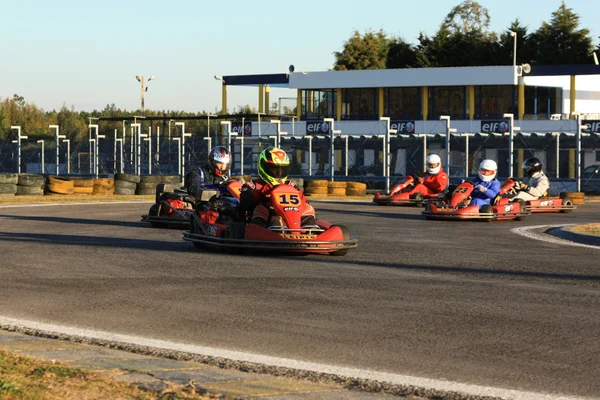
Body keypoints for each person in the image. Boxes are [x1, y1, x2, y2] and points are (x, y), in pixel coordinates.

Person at [240, 147, 316, 228]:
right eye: (274, 169)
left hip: (291, 217)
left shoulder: (290, 185)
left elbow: (304, 202)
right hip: (267, 221)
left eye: (282, 169)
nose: (279, 173)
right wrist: (262, 193)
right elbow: (245, 204)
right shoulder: (253, 185)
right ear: (263, 167)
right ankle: (260, 230)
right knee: (261, 209)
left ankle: (309, 230)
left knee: (308, 208)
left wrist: (299, 195)